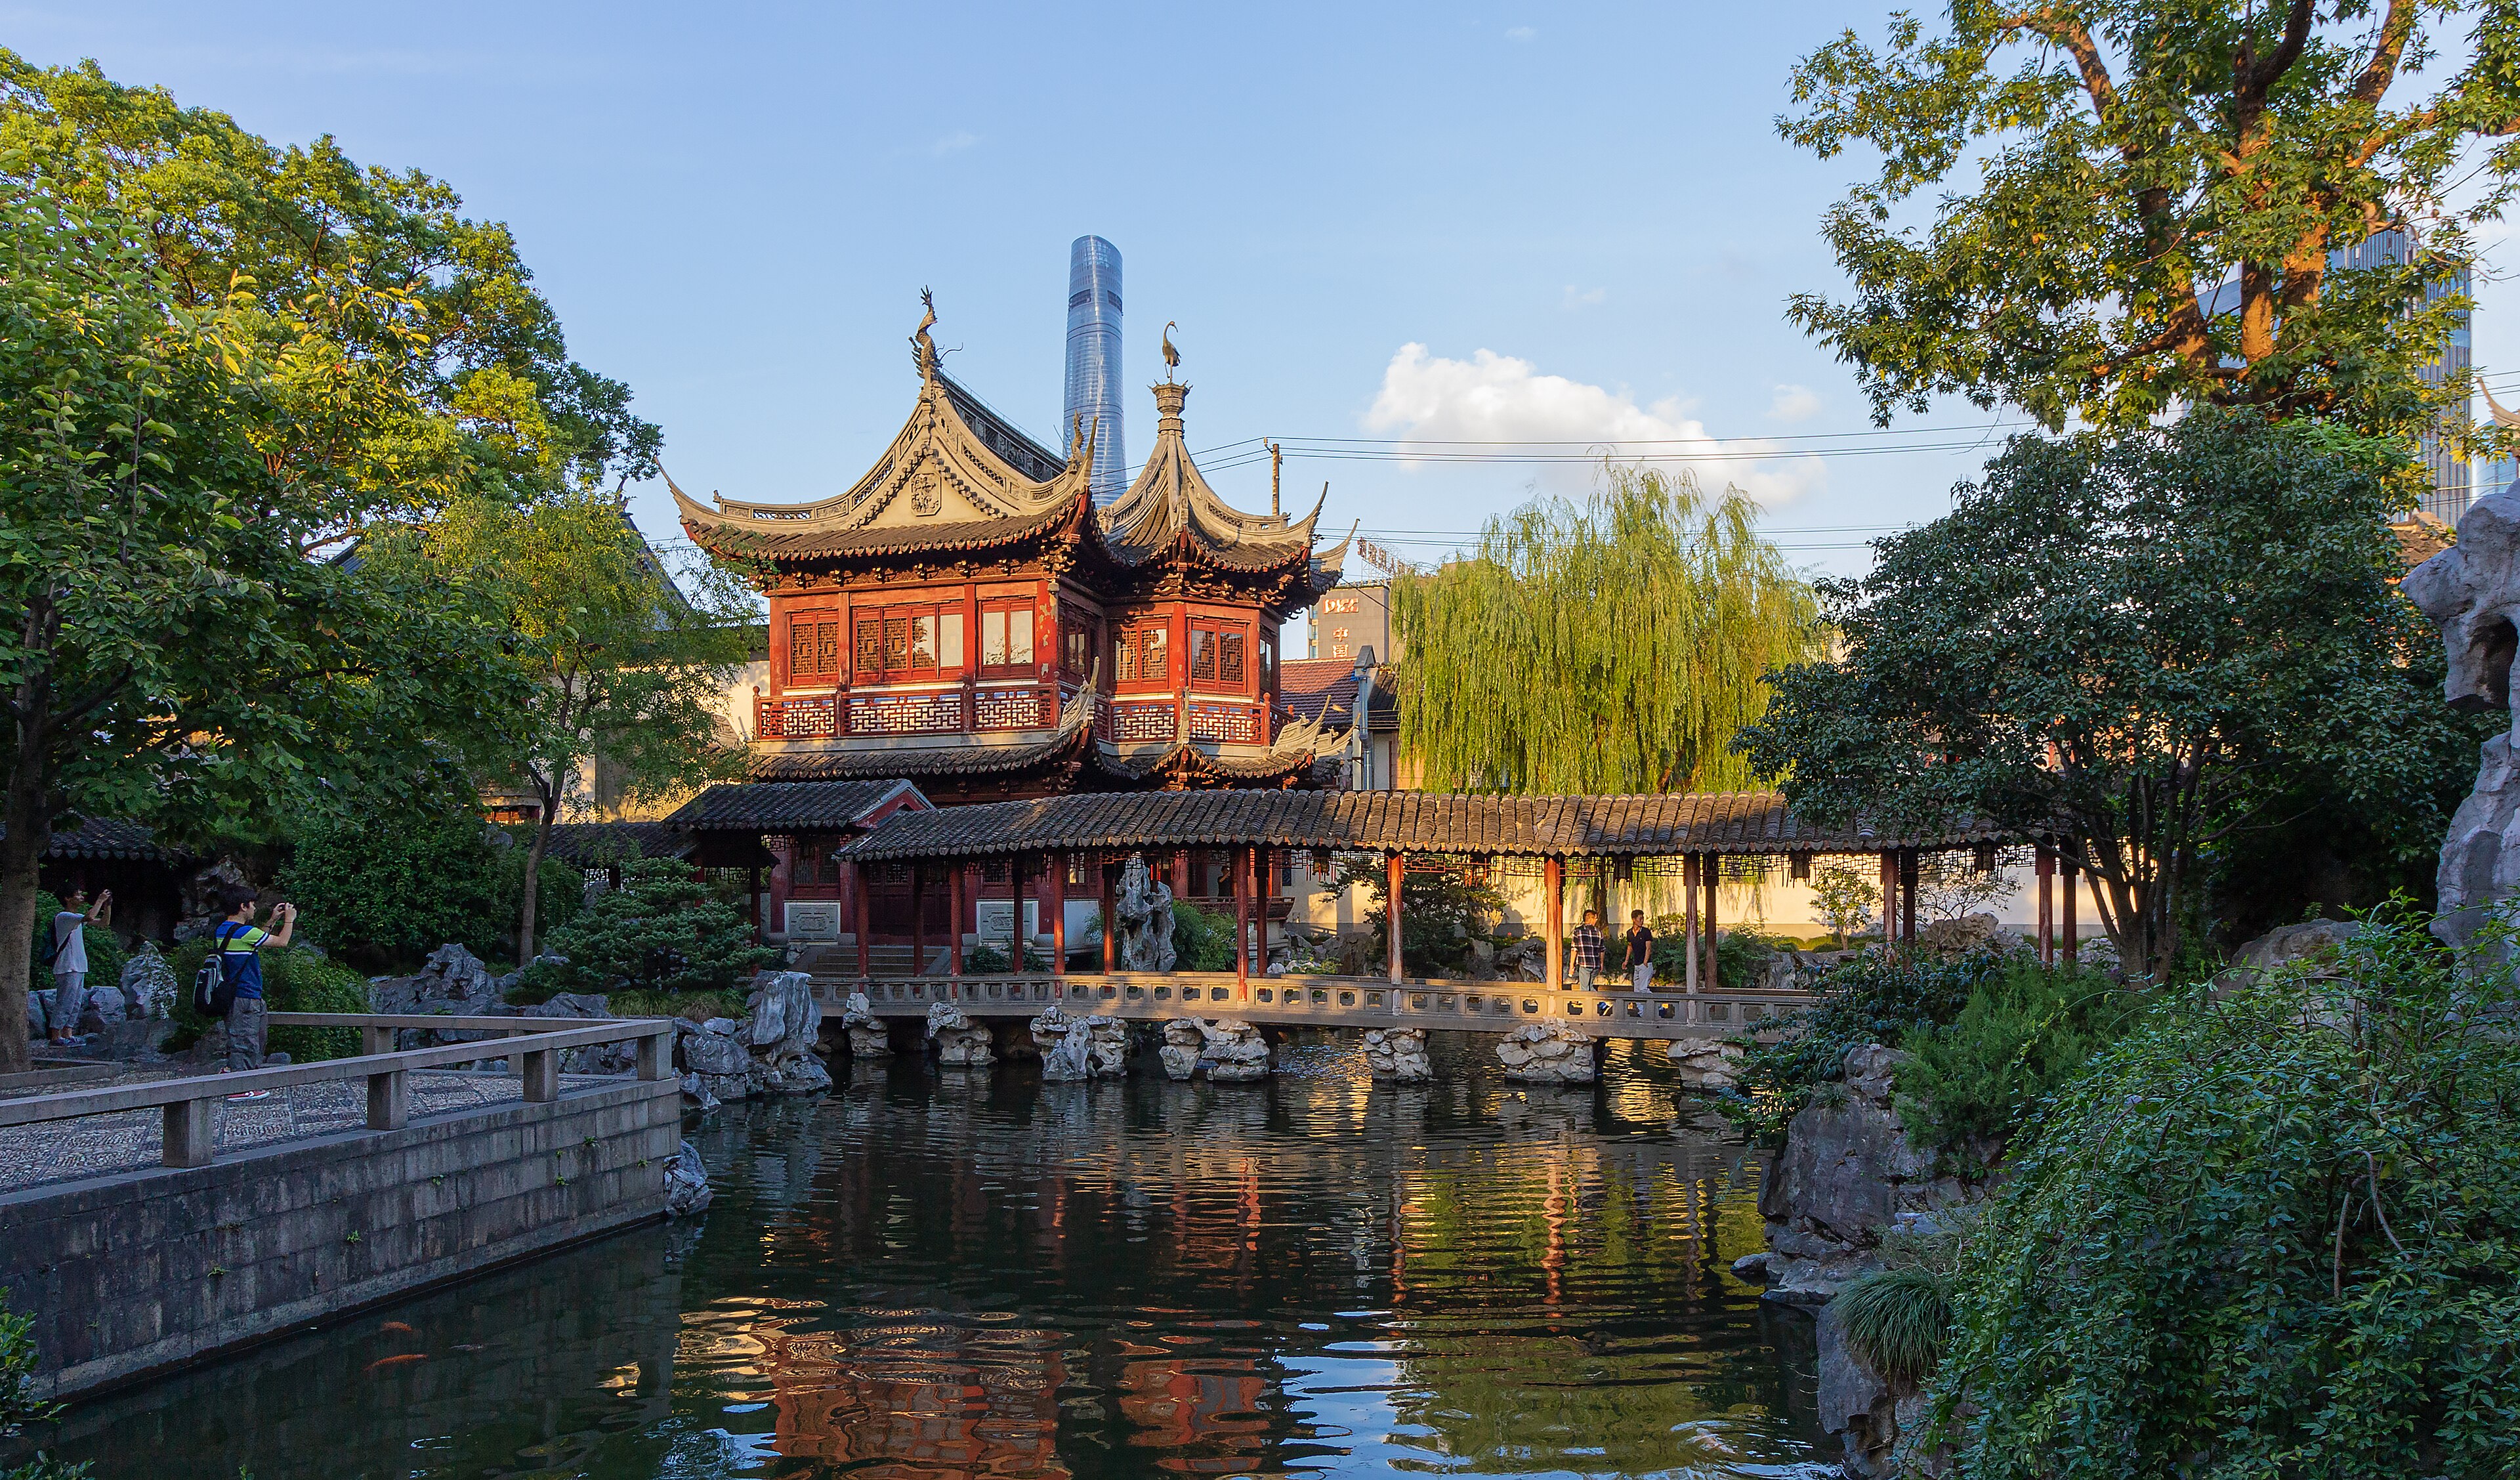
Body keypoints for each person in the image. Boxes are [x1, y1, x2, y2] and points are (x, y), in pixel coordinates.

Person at [213, 883, 295, 1099]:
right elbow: (282, 942)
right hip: (245, 994)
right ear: (243, 906)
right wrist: (289, 920)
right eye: (252, 905)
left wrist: (273, 921)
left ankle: (237, 1073)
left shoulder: (225, 929)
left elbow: (254, 942)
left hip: (234, 995)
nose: (255, 909)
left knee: (247, 1036)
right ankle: (240, 1086)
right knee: (246, 1039)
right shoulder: (244, 932)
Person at [45, 888, 110, 1045]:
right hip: (66, 966)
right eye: (78, 895)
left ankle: (68, 1033)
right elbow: (90, 916)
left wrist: (107, 906)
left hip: (79, 966)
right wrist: (100, 901)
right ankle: (55, 1035)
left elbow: (103, 923)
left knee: (76, 1002)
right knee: (65, 1001)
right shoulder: (64, 917)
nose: (81, 898)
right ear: (68, 898)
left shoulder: (76, 919)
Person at [1570, 908, 1605, 991]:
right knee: (1590, 986)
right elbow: (1602, 950)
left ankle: (1598, 1004)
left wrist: (1572, 965)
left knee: (1585, 988)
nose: (1596, 920)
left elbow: (1574, 949)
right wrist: (1601, 963)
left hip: (1584, 963)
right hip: (1596, 964)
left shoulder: (1578, 931)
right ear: (1591, 919)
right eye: (1595, 918)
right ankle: (1601, 1004)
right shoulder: (1599, 932)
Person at [1623, 910, 1655, 992]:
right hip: (1636, 964)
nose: (1642, 921)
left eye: (1643, 919)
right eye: (1640, 919)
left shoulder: (1645, 932)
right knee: (1637, 990)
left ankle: (1657, 1005)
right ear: (1634, 919)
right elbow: (1630, 946)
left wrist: (1645, 961)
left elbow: (1648, 948)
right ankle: (1639, 1005)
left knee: (1643, 989)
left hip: (1645, 964)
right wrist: (1626, 961)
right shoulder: (1629, 933)